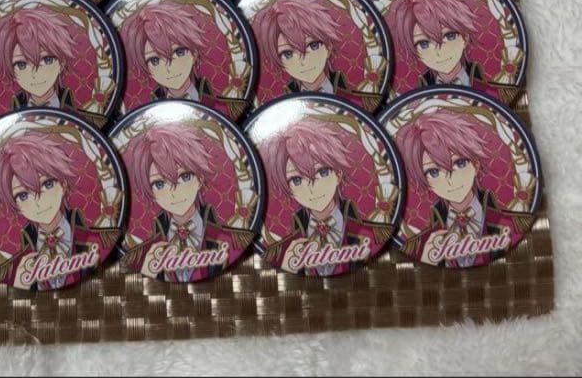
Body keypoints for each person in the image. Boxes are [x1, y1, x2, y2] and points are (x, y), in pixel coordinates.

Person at [259, 115, 394, 275]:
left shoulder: (371, 235)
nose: (312, 189)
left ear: (338, 174)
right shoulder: (282, 251)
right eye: (296, 180)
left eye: (322, 172)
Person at [121, 121, 253, 281]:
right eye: (159, 184)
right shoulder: (143, 253)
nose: (174, 192)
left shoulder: (229, 240)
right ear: (151, 191)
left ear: (200, 178)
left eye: (185, 177)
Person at [0, 130, 119, 289]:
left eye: (47, 184)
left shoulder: (101, 241)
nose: (39, 202)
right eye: (23, 196)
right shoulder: (13, 269)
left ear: (63, 184)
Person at [395, 108, 520, 267]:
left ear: (475, 165)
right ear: (426, 182)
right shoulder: (420, 244)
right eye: (433, 172)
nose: (450, 181)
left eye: (460, 163)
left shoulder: (513, 224)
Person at [120, 0, 246, 118]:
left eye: (179, 52)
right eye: (155, 60)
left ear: (194, 53)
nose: (169, 68)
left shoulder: (222, 106)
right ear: (147, 69)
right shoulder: (144, 117)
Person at [250, 0, 382, 109]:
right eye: (288, 54)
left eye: (313, 45)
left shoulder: (360, 103)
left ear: (328, 47)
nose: (303, 61)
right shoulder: (276, 113)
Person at [385, 0, 497, 96]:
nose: (439, 52)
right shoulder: (414, 99)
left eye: (450, 36)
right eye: (423, 44)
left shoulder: (490, 93)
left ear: (465, 38)